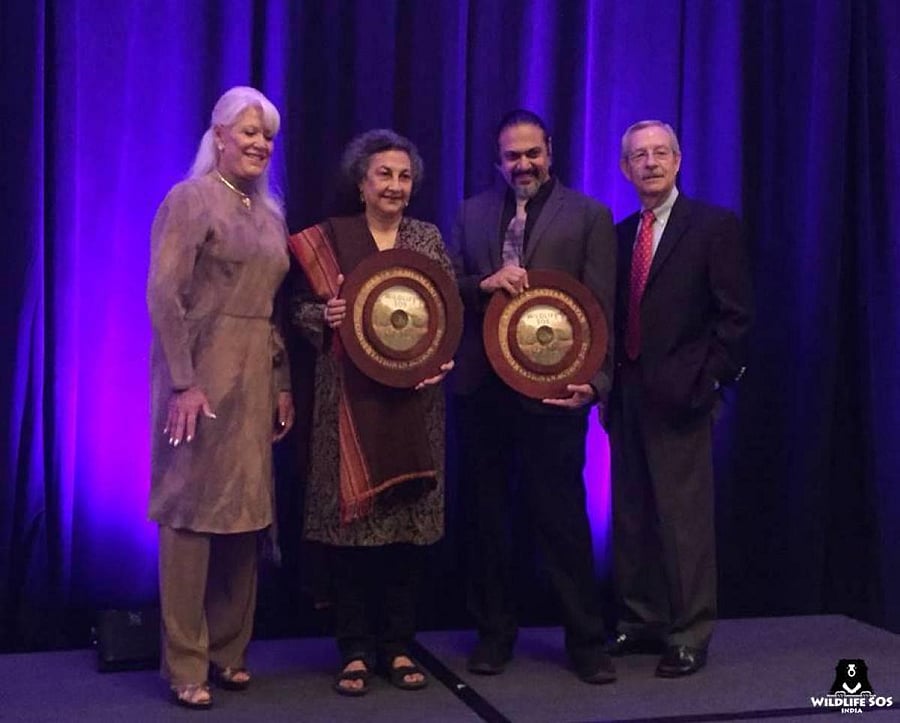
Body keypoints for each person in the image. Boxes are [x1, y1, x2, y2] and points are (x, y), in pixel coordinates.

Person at [447, 109, 617, 684]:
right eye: (512, 156)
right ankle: (494, 637)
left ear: (550, 151)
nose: (523, 165)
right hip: (483, 391)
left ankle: (586, 643)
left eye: (532, 153)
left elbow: (602, 311)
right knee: (488, 520)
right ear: (498, 161)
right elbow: (446, 290)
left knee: (564, 519)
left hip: (555, 395)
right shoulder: (470, 212)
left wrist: (596, 385)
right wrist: (483, 284)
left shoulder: (589, 215)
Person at [288, 129, 454, 697]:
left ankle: (400, 645)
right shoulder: (333, 240)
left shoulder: (426, 239)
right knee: (354, 531)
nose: (395, 186)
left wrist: (442, 361)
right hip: (348, 404)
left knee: (406, 528)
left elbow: (446, 311)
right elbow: (300, 310)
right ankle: (355, 649)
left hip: (416, 401)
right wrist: (325, 315)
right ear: (361, 183)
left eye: (405, 176)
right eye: (384, 174)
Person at [146, 86, 295, 709]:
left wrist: (283, 382)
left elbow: (268, 311)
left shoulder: (269, 214)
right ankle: (186, 663)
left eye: (268, 135)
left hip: (254, 380)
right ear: (219, 135)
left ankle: (230, 652)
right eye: (249, 131)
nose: (260, 143)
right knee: (191, 519)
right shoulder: (190, 199)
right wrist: (183, 381)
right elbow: (163, 293)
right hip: (199, 378)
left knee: (244, 519)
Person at [606, 120, 753, 677]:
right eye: (639, 155)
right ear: (624, 168)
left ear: (679, 160)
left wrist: (711, 379)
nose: (650, 163)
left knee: (685, 523)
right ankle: (641, 621)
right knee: (633, 518)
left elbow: (735, 316)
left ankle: (690, 633)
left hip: (683, 398)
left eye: (661, 152)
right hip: (626, 398)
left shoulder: (713, 227)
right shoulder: (619, 236)